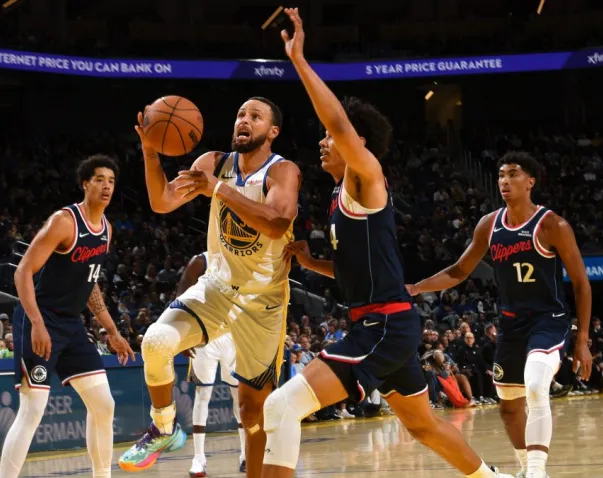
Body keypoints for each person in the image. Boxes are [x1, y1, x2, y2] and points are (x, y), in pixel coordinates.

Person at [262, 9, 512, 478]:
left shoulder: (366, 177)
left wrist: (298, 60)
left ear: (357, 142)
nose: (322, 142)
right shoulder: (340, 196)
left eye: (331, 138)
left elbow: (337, 122)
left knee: (280, 407)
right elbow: (355, 271)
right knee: (424, 426)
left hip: (382, 326)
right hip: (386, 323)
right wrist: (311, 261)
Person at [119, 93, 301, 476]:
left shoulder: (282, 171)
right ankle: (164, 426)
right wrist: (150, 152)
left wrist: (216, 189)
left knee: (252, 410)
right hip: (216, 287)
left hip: (263, 301)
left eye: (254, 116)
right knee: (155, 342)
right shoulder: (212, 163)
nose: (244, 120)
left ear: (273, 131)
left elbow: (276, 222)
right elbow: (162, 202)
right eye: (239, 114)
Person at [408, 151, 592, 478]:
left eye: (513, 174)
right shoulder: (489, 224)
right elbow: (459, 270)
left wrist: (582, 340)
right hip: (510, 324)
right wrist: (417, 287)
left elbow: (580, 282)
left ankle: (537, 472)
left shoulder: (552, 225)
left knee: (536, 384)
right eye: (501, 175)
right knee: (509, 406)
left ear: (530, 182)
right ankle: (524, 469)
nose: (505, 180)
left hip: (548, 321)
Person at [0, 155, 134, 478]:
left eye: (111, 181)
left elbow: (90, 285)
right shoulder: (64, 221)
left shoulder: (106, 230)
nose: (106, 186)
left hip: (71, 325)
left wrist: (112, 331)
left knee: (104, 405)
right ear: (85, 183)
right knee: (33, 410)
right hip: (39, 319)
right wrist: (37, 323)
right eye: (99, 179)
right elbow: (23, 272)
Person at [177, 252, 246, 477]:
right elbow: (180, 300)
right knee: (202, 395)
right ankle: (199, 459)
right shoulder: (200, 260)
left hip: (233, 336)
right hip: (203, 338)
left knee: (239, 397)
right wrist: (181, 335)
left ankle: (246, 454)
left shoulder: (244, 260)